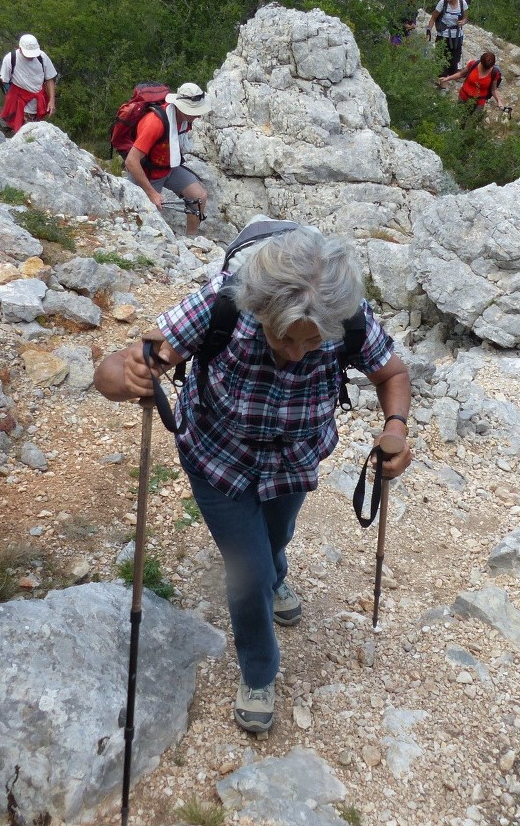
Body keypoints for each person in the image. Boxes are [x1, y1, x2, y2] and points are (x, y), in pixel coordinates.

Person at [93, 227, 413, 734]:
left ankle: (277, 577)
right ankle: (259, 672)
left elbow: (392, 374)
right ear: (258, 309)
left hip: (295, 459)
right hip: (218, 458)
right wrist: (122, 376)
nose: (296, 352)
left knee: (276, 540)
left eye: (313, 341)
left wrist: (395, 427)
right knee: (249, 574)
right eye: (283, 336)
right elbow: (124, 366)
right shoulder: (223, 302)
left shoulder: (346, 315)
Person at [124, 82, 210, 237]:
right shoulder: (155, 123)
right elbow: (131, 161)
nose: (199, 115)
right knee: (146, 223)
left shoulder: (184, 120)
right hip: (147, 173)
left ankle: (190, 241)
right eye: (195, 111)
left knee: (199, 197)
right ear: (181, 108)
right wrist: (151, 193)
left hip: (168, 166)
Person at [0, 34, 57, 134]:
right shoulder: (10, 59)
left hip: (38, 103)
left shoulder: (42, 57)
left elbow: (50, 78)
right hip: (19, 102)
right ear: (19, 49)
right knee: (24, 133)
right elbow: (4, 80)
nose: (31, 56)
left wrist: (52, 101)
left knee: (34, 133)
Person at [438, 51, 506, 111]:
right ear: (481, 62)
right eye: (484, 68)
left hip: (479, 103)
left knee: (471, 123)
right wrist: (447, 78)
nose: (487, 70)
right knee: (459, 119)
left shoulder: (495, 72)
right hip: (463, 97)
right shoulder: (473, 64)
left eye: (489, 68)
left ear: (493, 65)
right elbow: (461, 74)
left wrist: (499, 101)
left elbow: (493, 90)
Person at [426, 0, 468, 76]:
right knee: (441, 60)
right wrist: (428, 31)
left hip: (457, 36)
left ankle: (449, 78)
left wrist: (463, 22)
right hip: (443, 35)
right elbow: (433, 17)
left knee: (454, 61)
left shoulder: (462, 3)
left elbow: (465, 18)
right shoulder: (442, 3)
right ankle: (442, 83)